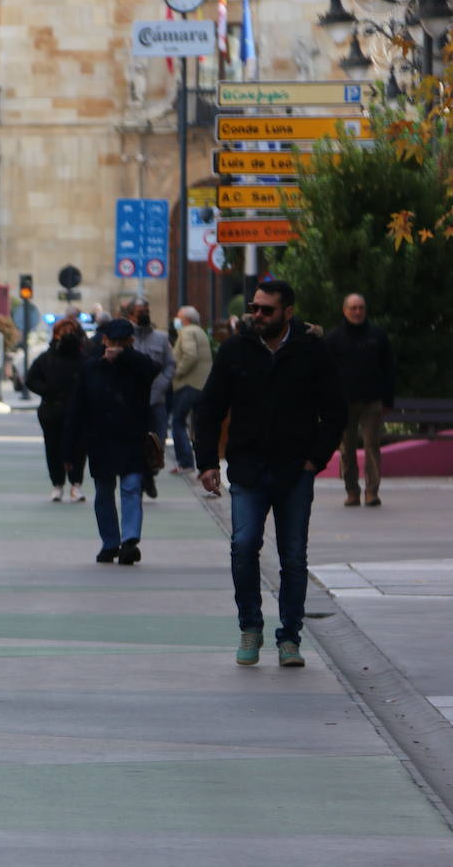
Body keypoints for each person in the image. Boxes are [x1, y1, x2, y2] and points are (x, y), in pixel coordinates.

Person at [195, 280, 347, 668]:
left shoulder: (312, 351)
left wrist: (316, 459)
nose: (257, 315)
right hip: (247, 468)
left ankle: (290, 638)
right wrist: (208, 461)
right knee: (244, 547)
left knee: (293, 557)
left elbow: (335, 410)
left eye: (266, 310)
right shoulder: (236, 350)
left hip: (295, 470)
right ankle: (251, 626)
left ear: (288, 312)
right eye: (254, 308)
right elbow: (210, 406)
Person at [63, 318, 157, 565]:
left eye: (122, 343)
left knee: (131, 488)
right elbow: (77, 409)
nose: (115, 347)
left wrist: (124, 357)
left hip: (131, 438)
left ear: (130, 342)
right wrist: (69, 451)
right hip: (100, 440)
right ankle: (110, 542)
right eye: (111, 342)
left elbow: (152, 370)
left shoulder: (138, 364)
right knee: (104, 492)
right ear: (103, 341)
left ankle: (129, 541)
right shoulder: (91, 367)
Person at [324, 293, 396, 507]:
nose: (357, 312)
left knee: (372, 446)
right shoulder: (334, 338)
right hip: (343, 403)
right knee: (347, 448)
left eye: (361, 308)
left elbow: (388, 369)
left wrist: (388, 401)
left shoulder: (377, 336)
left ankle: (372, 491)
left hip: (372, 401)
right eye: (353, 308)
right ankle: (352, 491)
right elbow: (326, 372)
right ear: (345, 310)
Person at [26, 318, 87, 502]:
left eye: (71, 331)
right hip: (52, 412)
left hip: (78, 412)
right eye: (64, 331)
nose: (68, 335)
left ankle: (76, 484)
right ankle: (57, 484)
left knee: (79, 449)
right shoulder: (46, 358)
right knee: (53, 448)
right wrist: (47, 390)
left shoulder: (84, 359)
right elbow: (31, 379)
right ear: (56, 335)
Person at [128, 297, 174, 499]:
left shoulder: (161, 339)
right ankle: (142, 478)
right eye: (140, 311)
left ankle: (150, 473)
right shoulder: (126, 337)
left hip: (156, 400)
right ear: (131, 314)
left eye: (147, 310)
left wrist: (162, 384)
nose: (145, 313)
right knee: (135, 442)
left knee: (158, 441)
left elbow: (170, 365)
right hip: (132, 401)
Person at [169, 305, 213, 475]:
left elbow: (190, 355)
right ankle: (204, 464)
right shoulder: (200, 331)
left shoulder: (187, 332)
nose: (177, 320)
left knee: (178, 422)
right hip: (202, 383)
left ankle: (186, 462)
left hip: (188, 383)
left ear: (185, 319)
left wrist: (177, 372)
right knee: (198, 426)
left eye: (178, 317)